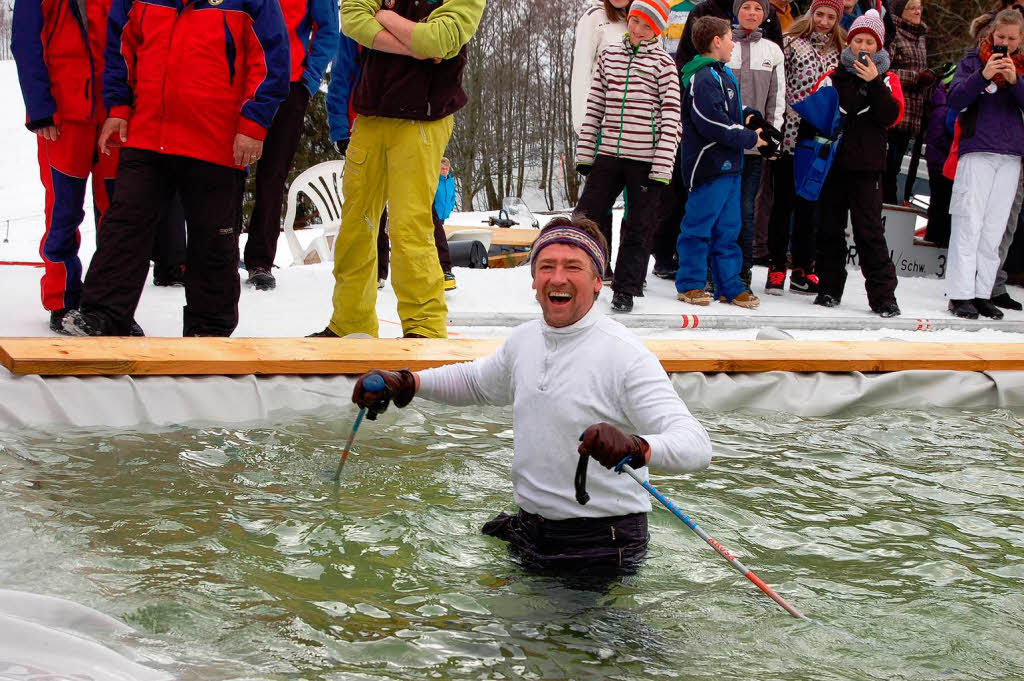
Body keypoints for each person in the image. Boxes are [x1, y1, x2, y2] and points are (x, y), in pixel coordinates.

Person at [350, 216, 713, 576]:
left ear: (598, 281)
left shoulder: (625, 355)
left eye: (573, 267)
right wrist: (406, 381)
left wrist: (637, 447)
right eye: (546, 266)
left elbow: (695, 444)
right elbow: (477, 382)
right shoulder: (524, 339)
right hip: (531, 529)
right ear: (534, 280)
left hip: (603, 543)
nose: (558, 278)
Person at [62, 0, 291, 337]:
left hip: (216, 137)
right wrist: (119, 106)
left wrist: (253, 124)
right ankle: (104, 316)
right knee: (124, 225)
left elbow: (272, 62)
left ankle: (209, 330)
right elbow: (119, 49)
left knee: (213, 238)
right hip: (146, 133)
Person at [311, 0, 486, 339]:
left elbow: (441, 38)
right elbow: (351, 18)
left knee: (410, 226)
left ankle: (424, 328)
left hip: (423, 118)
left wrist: (385, 17)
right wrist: (413, 45)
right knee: (355, 225)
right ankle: (350, 322)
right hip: (371, 116)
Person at [11, 0, 119, 334]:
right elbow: (26, 41)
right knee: (62, 212)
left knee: (120, 215)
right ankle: (63, 300)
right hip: (63, 118)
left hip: (115, 117)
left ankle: (111, 303)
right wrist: (40, 109)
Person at [574, 0, 683, 314]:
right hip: (608, 152)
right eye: (635, 22)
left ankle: (626, 288)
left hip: (646, 159)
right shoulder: (610, 56)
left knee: (639, 225)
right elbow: (595, 106)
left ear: (657, 30)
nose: (637, 30)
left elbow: (673, 117)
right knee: (586, 214)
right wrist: (585, 152)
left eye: (646, 26)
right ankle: (583, 274)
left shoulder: (663, 64)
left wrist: (663, 165)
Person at [243, 0, 339, 291]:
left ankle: (260, 261)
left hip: (288, 85)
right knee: (225, 169)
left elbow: (328, 30)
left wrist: (308, 82)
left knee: (272, 177)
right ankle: (217, 252)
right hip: (239, 80)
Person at [813, 9, 903, 317]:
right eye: (859, 40)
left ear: (879, 47)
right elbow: (816, 116)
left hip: (867, 168)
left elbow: (892, 116)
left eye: (870, 42)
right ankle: (828, 288)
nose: (864, 47)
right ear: (849, 43)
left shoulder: (888, 79)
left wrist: (875, 83)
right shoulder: (832, 77)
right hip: (834, 165)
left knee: (869, 231)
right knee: (828, 228)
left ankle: (883, 296)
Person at [676, 16, 767, 308]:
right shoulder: (700, 77)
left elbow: (728, 110)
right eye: (729, 38)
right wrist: (751, 137)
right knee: (699, 226)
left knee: (729, 230)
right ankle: (690, 283)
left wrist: (748, 114)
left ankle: (729, 285)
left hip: (731, 167)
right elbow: (710, 121)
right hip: (708, 166)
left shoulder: (723, 74)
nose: (732, 44)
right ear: (716, 41)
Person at [944, 9, 1024, 320]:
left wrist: (1015, 82)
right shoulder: (973, 60)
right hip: (977, 150)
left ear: (1020, 40)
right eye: (1000, 37)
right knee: (969, 223)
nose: (1005, 43)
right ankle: (961, 293)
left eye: (1011, 38)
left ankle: (982, 291)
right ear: (992, 34)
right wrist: (983, 75)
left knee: (994, 228)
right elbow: (954, 99)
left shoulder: (1021, 67)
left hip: (1011, 155)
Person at [763, 0, 844, 296]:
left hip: (820, 138)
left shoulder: (840, 51)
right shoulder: (791, 44)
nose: (823, 21)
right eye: (819, 14)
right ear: (810, 14)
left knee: (810, 205)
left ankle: (802, 266)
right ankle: (776, 266)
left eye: (830, 17)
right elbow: (779, 85)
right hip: (791, 133)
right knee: (783, 203)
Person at [727, 0, 785, 288]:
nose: (752, 13)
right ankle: (716, 267)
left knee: (746, 207)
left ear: (765, 14)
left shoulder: (772, 51)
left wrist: (772, 139)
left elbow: (777, 98)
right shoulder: (724, 43)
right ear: (736, 11)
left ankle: (743, 269)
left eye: (758, 8)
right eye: (746, 6)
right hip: (724, 144)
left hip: (753, 146)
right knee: (721, 206)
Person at [571, 0, 631, 279]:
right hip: (601, 124)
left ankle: (630, 268)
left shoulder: (643, 19)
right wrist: (584, 125)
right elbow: (581, 72)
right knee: (598, 199)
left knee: (636, 202)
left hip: (636, 127)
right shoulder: (594, 18)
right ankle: (598, 261)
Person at [882, 0, 932, 205]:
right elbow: (885, 71)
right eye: (912, 7)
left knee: (894, 169)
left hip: (914, 114)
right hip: (895, 113)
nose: (917, 11)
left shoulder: (921, 37)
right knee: (888, 170)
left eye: (919, 7)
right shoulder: (893, 33)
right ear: (901, 10)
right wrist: (915, 77)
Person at [674, 0, 785, 66]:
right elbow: (685, 57)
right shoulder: (704, 11)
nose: (752, 12)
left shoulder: (766, 13)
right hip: (712, 90)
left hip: (758, 92)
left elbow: (778, 61)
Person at [433, 158, 458, 291]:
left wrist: (450, 207)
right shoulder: (435, 180)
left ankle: (440, 269)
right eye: (442, 168)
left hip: (443, 214)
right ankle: (444, 270)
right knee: (439, 240)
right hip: (434, 213)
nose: (444, 171)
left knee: (438, 240)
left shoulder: (450, 181)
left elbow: (453, 196)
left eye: (446, 169)